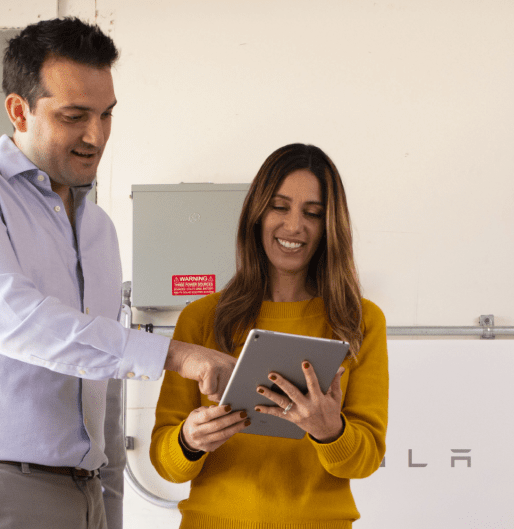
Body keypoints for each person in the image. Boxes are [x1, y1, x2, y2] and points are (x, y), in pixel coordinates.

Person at [0, 18, 234, 529]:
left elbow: (106, 382)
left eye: (106, 115)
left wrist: (107, 503)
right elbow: (12, 321)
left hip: (83, 492)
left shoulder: (97, 228)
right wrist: (173, 354)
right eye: (74, 116)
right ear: (19, 110)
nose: (95, 136)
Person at [150, 144, 389, 528]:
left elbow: (366, 459)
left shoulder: (359, 322)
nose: (294, 226)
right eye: (280, 207)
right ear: (257, 214)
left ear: (330, 225)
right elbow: (165, 463)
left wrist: (331, 432)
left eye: (312, 213)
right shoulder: (202, 318)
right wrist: (189, 440)